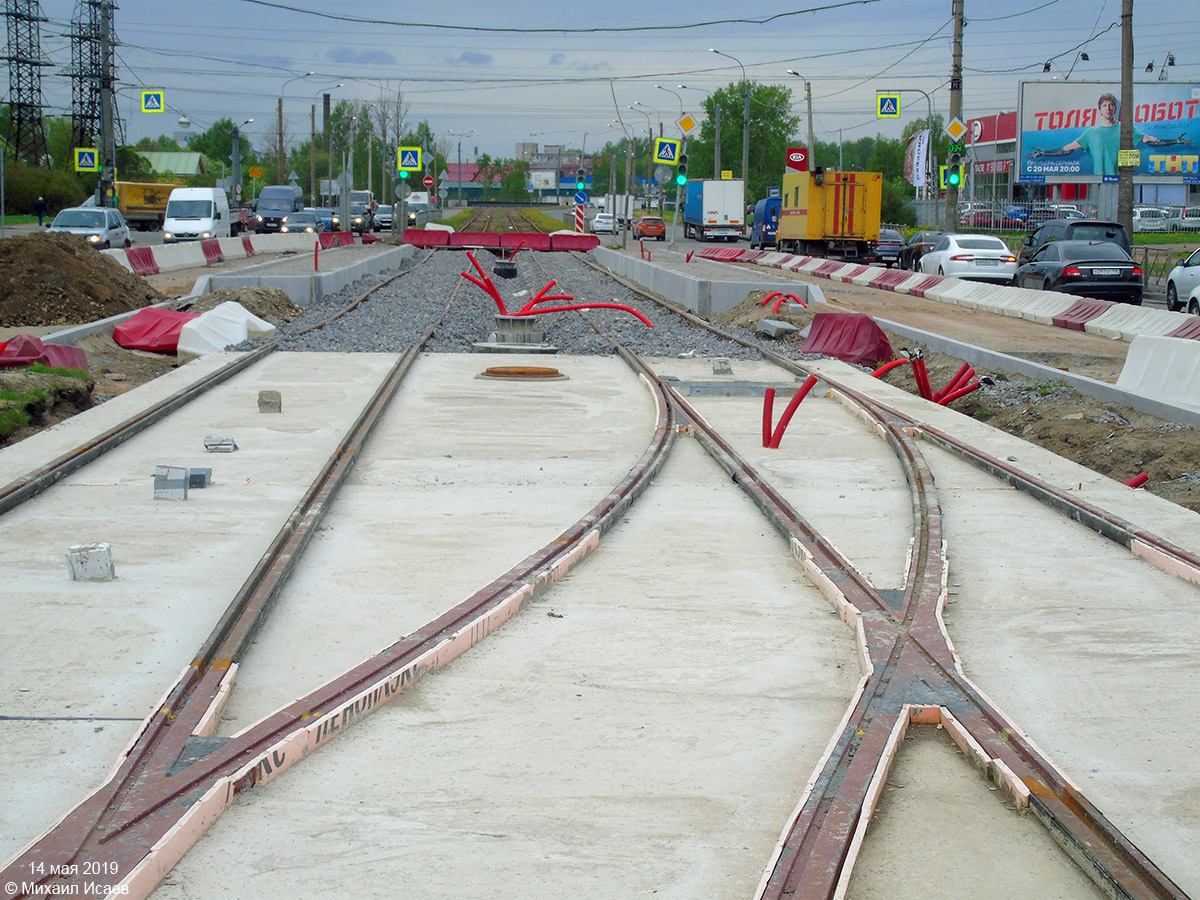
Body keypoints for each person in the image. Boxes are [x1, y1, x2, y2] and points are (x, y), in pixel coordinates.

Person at [1060, 92, 1159, 176]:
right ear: (1100, 110)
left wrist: (1171, 141)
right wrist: (1045, 153)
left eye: (1111, 105)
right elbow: (1068, 148)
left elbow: (1147, 138)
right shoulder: (1091, 133)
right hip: (1099, 182)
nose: (1108, 108)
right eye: (1104, 105)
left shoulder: (1125, 128)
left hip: (1122, 181)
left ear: (1115, 108)